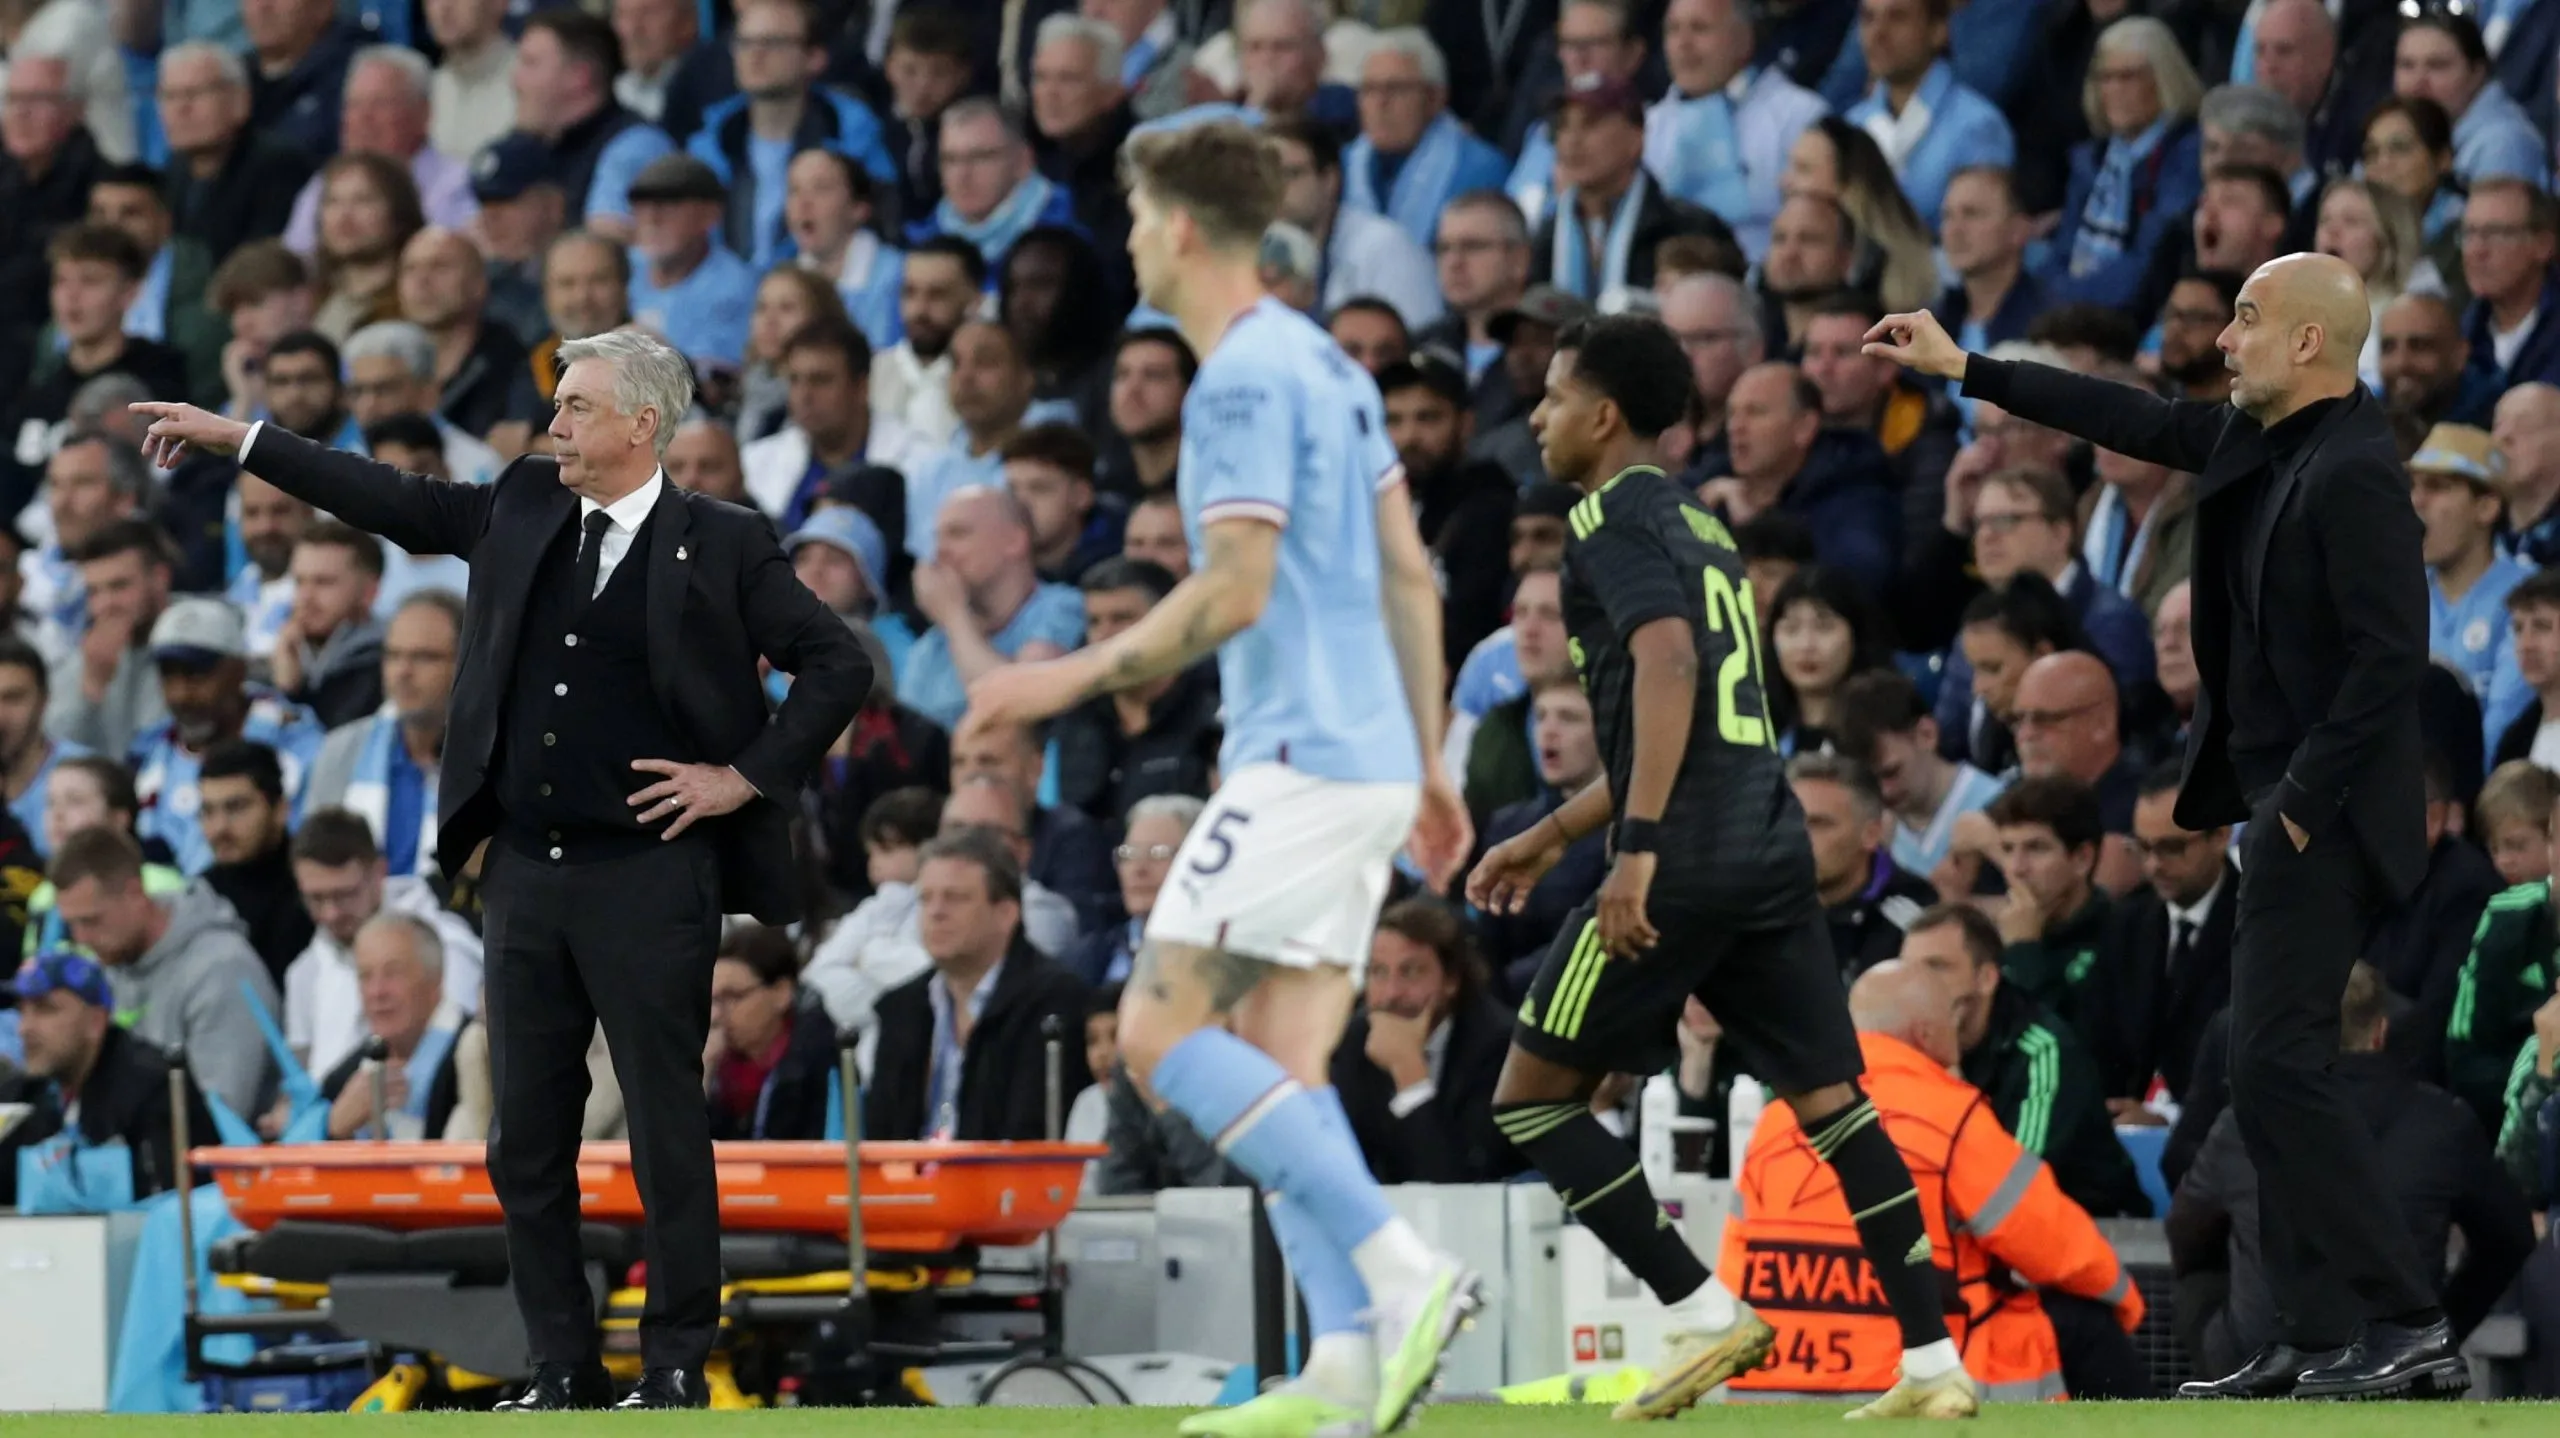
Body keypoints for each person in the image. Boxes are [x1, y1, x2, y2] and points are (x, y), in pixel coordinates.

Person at [129, 325, 870, 1412]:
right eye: (558, 404)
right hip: (525, 870)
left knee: (666, 1123)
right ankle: (559, 1363)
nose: (555, 423)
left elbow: (837, 662)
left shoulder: (722, 540)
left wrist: (742, 777)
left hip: (651, 873)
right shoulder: (524, 499)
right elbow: (386, 496)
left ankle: (672, 1363)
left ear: (641, 425)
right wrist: (241, 440)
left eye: (577, 406)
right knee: (524, 1134)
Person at [957, 120, 1478, 1438]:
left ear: (1181, 227)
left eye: (1136, 216)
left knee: (1155, 1034)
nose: (1128, 239)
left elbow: (1233, 590)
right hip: (1357, 760)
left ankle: (1404, 1268)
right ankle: (1347, 1361)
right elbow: (1412, 573)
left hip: (1297, 756)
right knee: (1277, 1063)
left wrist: (1049, 680)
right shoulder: (1327, 364)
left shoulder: (1244, 376)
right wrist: (1424, 760)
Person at [1864, 253, 2458, 1396]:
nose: (2222, 340)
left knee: (2274, 1064)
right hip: (2281, 809)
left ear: (2307, 344)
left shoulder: (2356, 472)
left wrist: (2295, 805)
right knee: (2259, 1067)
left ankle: (2400, 1315)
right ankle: (2318, 1326)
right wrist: (1966, 367)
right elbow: (2126, 414)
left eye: (2245, 319)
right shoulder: (2258, 439)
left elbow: (2390, 660)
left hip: (2321, 816)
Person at [1465, 314, 1971, 1420]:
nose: (1537, 417)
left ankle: (1699, 1309)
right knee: (1839, 1110)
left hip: (1683, 857)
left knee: (1531, 1101)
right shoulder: (1700, 524)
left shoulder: (1600, 525)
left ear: (1602, 417)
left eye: (1551, 398)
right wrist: (1555, 831)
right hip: (1767, 842)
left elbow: (1664, 663)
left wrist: (1629, 850)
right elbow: (1695, 721)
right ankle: (1934, 1366)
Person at [1718, 959, 2146, 1404]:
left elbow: (1736, 1270)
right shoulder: (1951, 1116)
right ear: (1927, 1034)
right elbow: (2052, 1241)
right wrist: (2124, 1299)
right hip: (1919, 1389)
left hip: (1772, 1389)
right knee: (2082, 1324)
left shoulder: (1775, 1121)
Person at [2169, 961, 2535, 1382]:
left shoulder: (2243, 1123)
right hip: (2392, 1361)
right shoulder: (2444, 1122)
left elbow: (2186, 1234)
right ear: (2380, 1031)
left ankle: (2238, 1372)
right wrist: (2444, 1324)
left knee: (2201, 1273)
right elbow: (2510, 1237)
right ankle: (2413, 1346)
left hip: (2260, 1355)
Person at [0, 948, 216, 1208]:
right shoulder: (24, 1096)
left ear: (96, 1021)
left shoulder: (152, 1087)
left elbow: (167, 1205)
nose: (25, 1028)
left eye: (46, 1009)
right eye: (22, 1011)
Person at [1331, 897, 1519, 1184]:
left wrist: (1410, 1074)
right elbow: (1342, 1170)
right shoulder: (1353, 1041)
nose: (1391, 994)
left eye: (1410, 972)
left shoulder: (1499, 1046)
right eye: (1378, 972)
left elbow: (1460, 1189)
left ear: (1451, 981)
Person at [703, 924, 836, 1142]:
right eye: (715, 1000)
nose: (717, 1014)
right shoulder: (718, 1071)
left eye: (733, 997)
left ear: (781, 993)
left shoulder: (820, 1062)